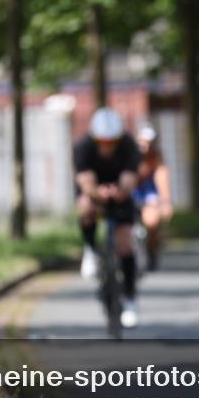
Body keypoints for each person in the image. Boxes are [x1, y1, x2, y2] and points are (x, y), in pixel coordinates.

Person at [74, 107, 143, 328]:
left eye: (112, 141)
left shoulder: (129, 146)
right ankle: (91, 249)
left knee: (125, 243)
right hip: (93, 190)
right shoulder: (82, 148)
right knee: (85, 208)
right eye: (103, 141)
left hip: (120, 191)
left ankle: (130, 298)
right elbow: (85, 181)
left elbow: (129, 179)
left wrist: (120, 192)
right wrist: (97, 193)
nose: (107, 146)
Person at [134, 122, 174, 271]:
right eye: (143, 142)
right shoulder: (128, 155)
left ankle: (151, 251)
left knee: (151, 221)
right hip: (130, 193)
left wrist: (166, 202)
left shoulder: (157, 158)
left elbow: (162, 179)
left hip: (148, 195)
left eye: (149, 143)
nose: (146, 146)